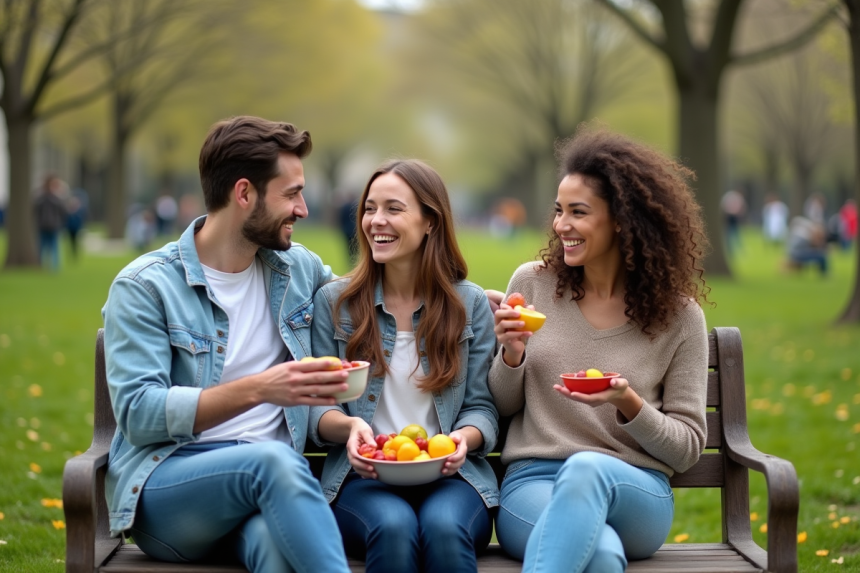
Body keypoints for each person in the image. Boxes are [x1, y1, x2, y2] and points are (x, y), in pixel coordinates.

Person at [101, 116, 352, 573]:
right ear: (244, 194)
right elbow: (138, 413)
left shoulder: (297, 269)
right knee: (272, 462)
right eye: (291, 194)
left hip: (265, 497)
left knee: (273, 553)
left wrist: (465, 300)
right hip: (171, 485)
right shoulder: (145, 286)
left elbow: (367, 299)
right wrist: (260, 389)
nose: (303, 209)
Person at [488, 127, 710, 572]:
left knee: (587, 469)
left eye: (578, 212)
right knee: (602, 556)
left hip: (636, 491)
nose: (560, 225)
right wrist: (512, 353)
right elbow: (502, 406)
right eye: (558, 211)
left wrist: (627, 402)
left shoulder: (680, 318)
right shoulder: (532, 285)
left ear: (622, 219)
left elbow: (686, 449)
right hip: (533, 485)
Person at [309, 159, 499, 573]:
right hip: (362, 480)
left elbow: (482, 407)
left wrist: (463, 440)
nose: (376, 221)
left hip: (453, 477)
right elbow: (316, 408)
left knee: (444, 528)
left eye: (394, 209)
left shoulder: (469, 305)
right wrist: (350, 430)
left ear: (430, 221)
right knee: (394, 527)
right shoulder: (334, 303)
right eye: (370, 208)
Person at [33, 174, 68, 271]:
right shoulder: (47, 197)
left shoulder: (47, 197)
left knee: (51, 247)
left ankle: (53, 267)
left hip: (50, 226)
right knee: (46, 247)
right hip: (46, 225)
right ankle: (46, 266)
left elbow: (63, 211)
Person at [720, 188, 745, 254]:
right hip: (731, 216)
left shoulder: (729, 195)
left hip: (731, 216)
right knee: (732, 233)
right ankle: (735, 249)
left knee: (734, 233)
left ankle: (736, 249)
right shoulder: (735, 196)